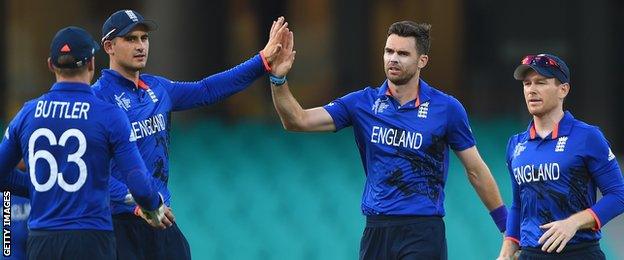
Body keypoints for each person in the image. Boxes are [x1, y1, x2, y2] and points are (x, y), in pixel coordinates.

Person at [269, 20, 508, 259]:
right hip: (376, 230)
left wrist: (507, 228)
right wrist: (278, 80)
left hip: (422, 231)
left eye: (403, 53)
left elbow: (476, 170)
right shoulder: (362, 103)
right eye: (389, 51)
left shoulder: (446, 108)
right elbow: (297, 120)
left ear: (422, 60)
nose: (393, 58)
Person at [92, 9, 290, 259]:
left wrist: (262, 61)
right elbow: (92, 175)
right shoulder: (96, 100)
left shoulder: (158, 88)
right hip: (119, 225)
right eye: (131, 39)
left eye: (144, 38)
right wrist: (139, 203)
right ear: (109, 46)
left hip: (161, 222)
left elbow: (206, 89)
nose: (141, 46)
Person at [0, 26, 168, 259]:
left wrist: (38, 186)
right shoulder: (108, 115)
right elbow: (137, 179)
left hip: (42, 240)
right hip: (91, 238)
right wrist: (153, 204)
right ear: (91, 63)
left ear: (51, 65)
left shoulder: (28, 113)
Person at [497, 54, 624, 259]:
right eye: (527, 84)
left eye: (541, 82)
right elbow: (518, 204)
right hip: (530, 254)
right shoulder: (516, 144)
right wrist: (507, 249)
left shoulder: (587, 136)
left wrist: (573, 223)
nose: (532, 90)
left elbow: (619, 195)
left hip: (578, 252)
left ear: (563, 89)